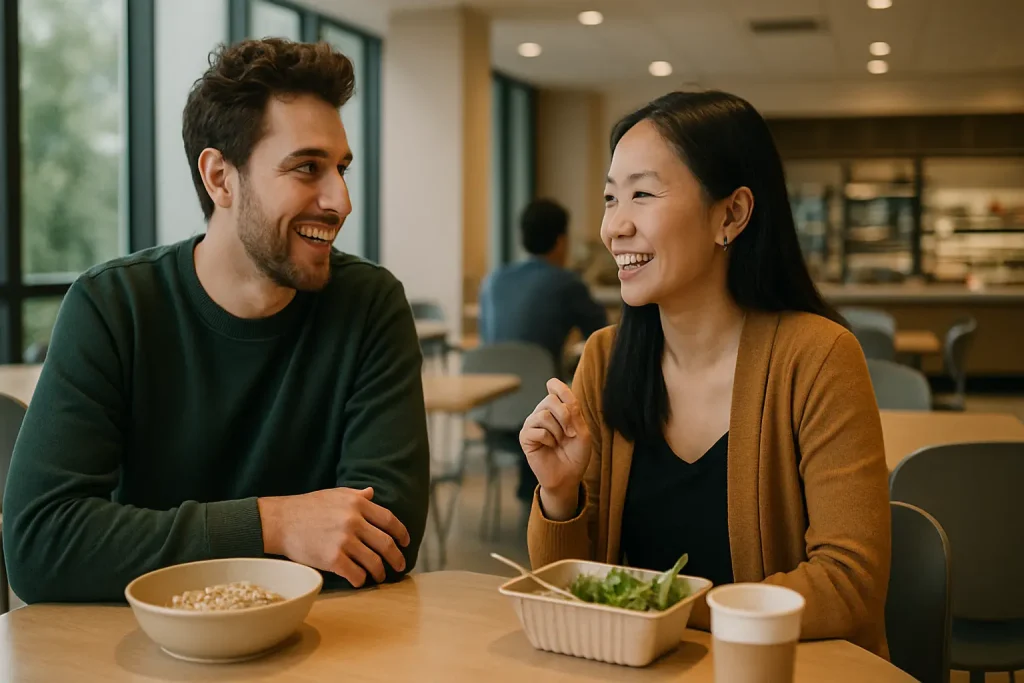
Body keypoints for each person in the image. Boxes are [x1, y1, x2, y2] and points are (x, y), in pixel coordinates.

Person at [2, 39, 430, 603]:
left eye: (341, 169)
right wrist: (274, 525)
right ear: (220, 178)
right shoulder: (112, 306)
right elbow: (41, 545)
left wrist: (149, 552)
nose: (341, 200)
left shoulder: (370, 305)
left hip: (313, 651)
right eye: (307, 167)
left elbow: (383, 542)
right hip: (137, 654)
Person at [519, 91, 891, 657]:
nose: (613, 226)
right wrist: (559, 495)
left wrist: (660, 611)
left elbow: (849, 584)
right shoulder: (604, 357)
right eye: (610, 198)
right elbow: (563, 591)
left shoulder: (818, 357)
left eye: (642, 194)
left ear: (732, 214)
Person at [478, 199, 607, 503]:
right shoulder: (566, 283)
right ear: (561, 241)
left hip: (490, 408)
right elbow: (603, 337)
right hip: (545, 416)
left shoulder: (494, 280)